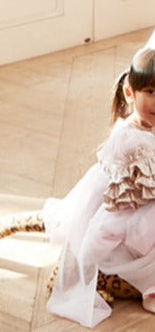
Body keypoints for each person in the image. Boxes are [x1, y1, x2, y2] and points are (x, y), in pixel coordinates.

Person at [45, 44, 155, 327]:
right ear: (130, 93)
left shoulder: (149, 128)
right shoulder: (130, 143)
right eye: (151, 93)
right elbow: (116, 212)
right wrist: (91, 253)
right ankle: (147, 289)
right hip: (126, 214)